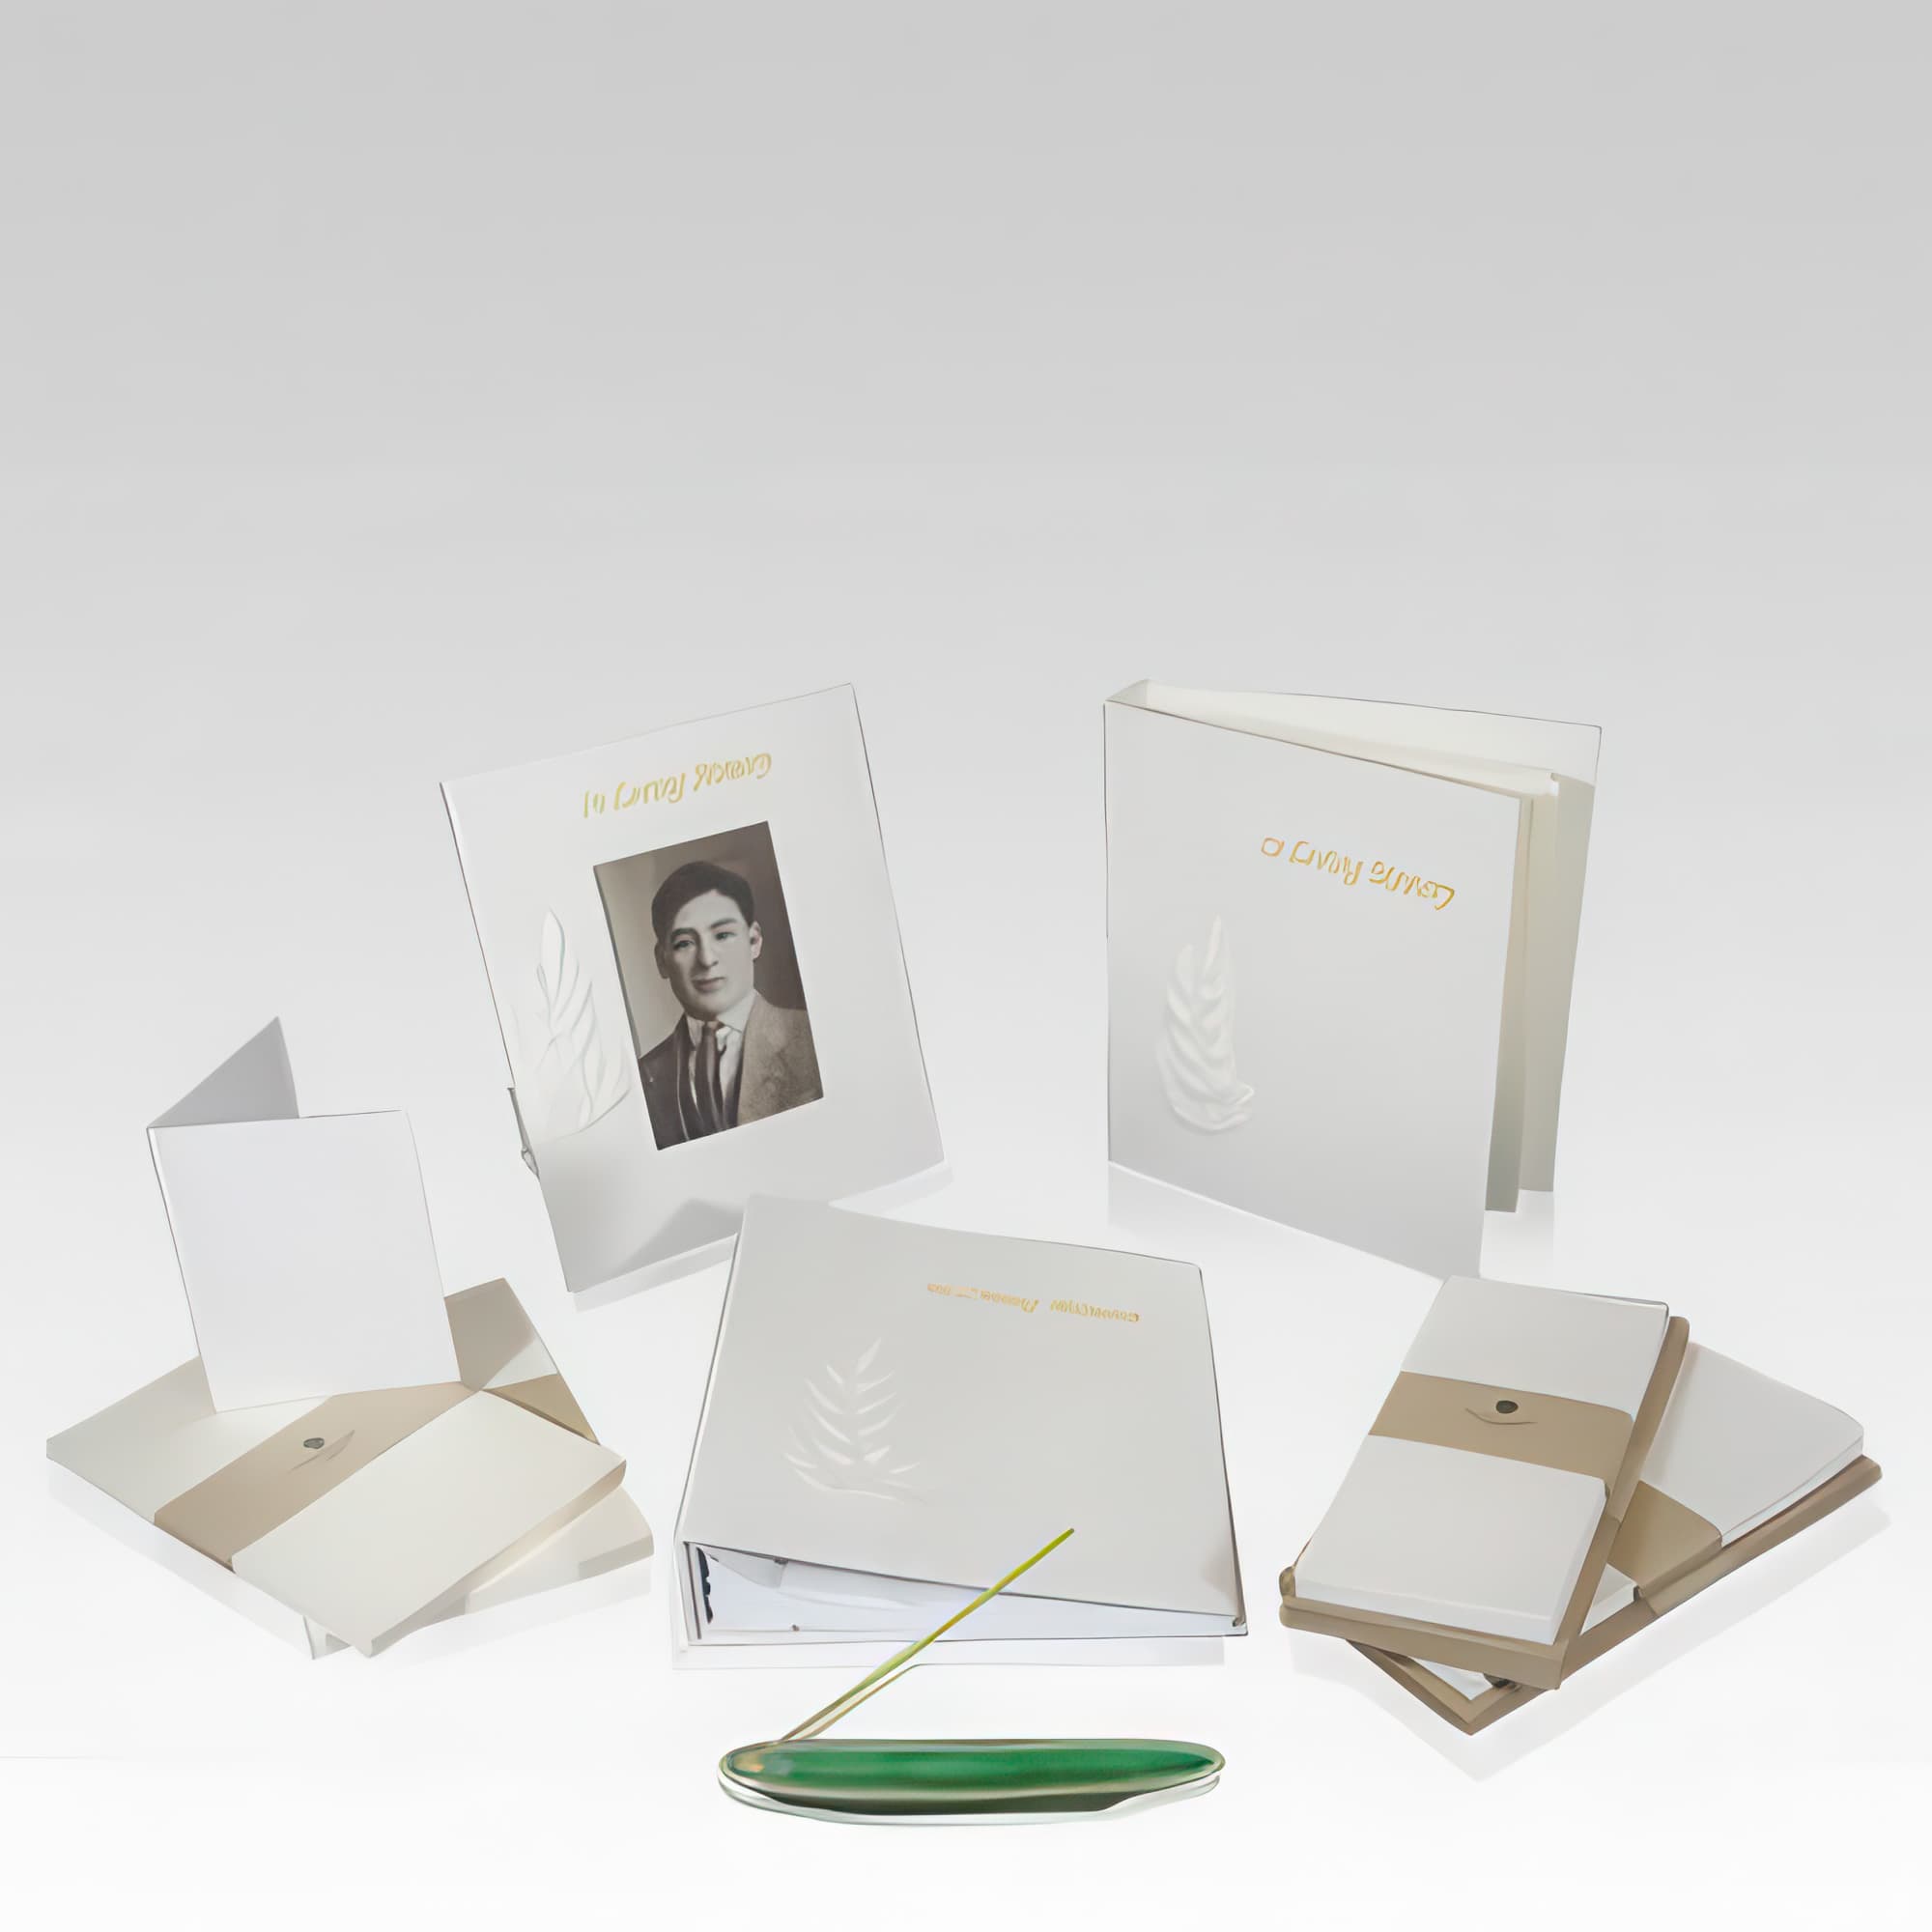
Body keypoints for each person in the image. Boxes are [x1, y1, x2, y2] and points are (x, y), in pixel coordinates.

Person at [637, 859, 821, 1147]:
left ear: (754, 941)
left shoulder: (813, 1035)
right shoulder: (643, 1076)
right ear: (662, 960)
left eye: (723, 935)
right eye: (685, 943)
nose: (707, 959)